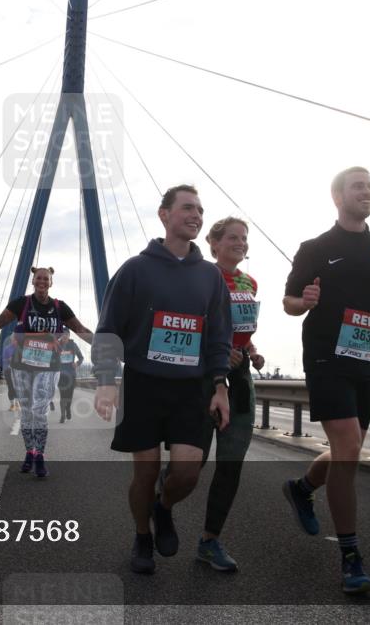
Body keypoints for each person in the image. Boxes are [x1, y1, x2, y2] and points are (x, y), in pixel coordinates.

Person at [281, 166, 370, 594]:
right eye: (358, 186)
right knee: (348, 449)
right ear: (337, 196)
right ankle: (351, 557)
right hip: (326, 359)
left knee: (350, 447)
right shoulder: (315, 247)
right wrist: (302, 300)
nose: (368, 192)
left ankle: (302, 488)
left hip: (367, 363)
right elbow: (288, 302)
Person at [93, 184, 231, 575]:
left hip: (192, 387)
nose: (196, 215)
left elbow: (218, 335)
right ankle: (142, 535)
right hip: (144, 383)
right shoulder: (135, 269)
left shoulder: (210, 276)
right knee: (147, 472)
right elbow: (109, 328)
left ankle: (163, 507)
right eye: (187, 208)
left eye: (200, 210)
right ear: (164, 215)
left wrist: (221, 386)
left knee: (187, 472)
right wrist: (106, 379)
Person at [185, 216, 268, 572]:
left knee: (230, 465)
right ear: (213, 243)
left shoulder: (250, 281)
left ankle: (210, 540)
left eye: (244, 238)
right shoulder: (202, 276)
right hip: (206, 376)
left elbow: (240, 330)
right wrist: (216, 352)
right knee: (194, 462)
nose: (241, 243)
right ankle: (164, 495)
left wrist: (251, 350)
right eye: (233, 237)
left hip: (239, 378)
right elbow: (192, 323)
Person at [0, 267, 94, 478]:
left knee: (39, 411)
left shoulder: (60, 307)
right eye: (38, 278)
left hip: (49, 368)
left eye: (45, 279)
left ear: (51, 283)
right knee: (27, 412)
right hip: (22, 367)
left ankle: (39, 456)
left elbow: (82, 330)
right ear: (33, 280)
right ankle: (29, 451)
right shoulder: (21, 304)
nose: (42, 281)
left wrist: (106, 346)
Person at [55, 333, 84, 423]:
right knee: (63, 396)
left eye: (66, 334)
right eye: (63, 334)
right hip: (61, 374)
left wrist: (77, 363)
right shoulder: (56, 345)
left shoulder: (73, 345)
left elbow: (81, 357)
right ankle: (62, 416)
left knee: (69, 396)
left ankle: (68, 409)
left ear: (69, 336)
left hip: (71, 374)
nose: (64, 336)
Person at [1, 334, 18, 412]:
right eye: (14, 339)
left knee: (18, 388)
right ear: (11, 340)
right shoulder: (7, 349)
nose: (15, 341)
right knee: (10, 387)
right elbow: (4, 359)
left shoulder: (21, 348)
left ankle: (17, 404)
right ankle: (12, 404)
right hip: (8, 370)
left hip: (18, 371)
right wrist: (9, 359)